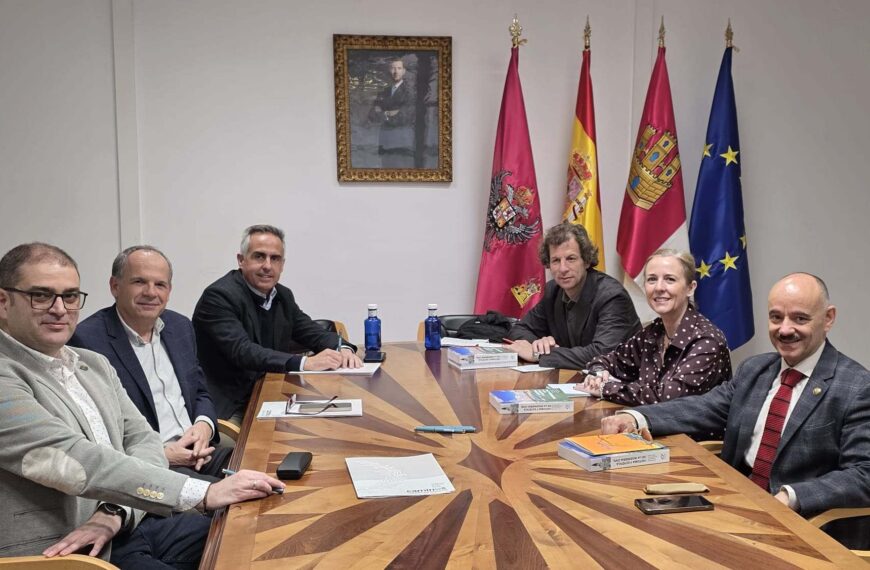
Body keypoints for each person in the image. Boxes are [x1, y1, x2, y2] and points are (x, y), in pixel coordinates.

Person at [0, 243, 283, 566]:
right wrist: (203, 493)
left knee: (260, 534)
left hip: (125, 518)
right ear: (3, 302)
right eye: (41, 295)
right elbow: (76, 460)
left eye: (70, 296)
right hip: (68, 549)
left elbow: (143, 439)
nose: (60, 309)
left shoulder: (92, 364)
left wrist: (116, 511)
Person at [601, 272, 870, 548]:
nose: (785, 329)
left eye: (800, 319)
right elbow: (703, 407)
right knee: (631, 535)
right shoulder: (756, 369)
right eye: (776, 317)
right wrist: (636, 417)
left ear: (828, 318)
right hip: (733, 505)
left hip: (803, 528)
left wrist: (792, 496)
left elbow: (864, 472)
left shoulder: (856, 387)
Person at [70, 245, 232, 482]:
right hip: (152, 468)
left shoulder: (180, 326)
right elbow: (98, 431)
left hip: (201, 452)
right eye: (139, 282)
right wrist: (163, 455)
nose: (150, 292)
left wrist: (204, 425)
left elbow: (199, 392)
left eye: (160, 284)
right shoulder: (87, 340)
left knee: (267, 471)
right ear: (115, 286)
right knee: (238, 505)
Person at [193, 225, 361, 422]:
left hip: (271, 393)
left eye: (275, 258)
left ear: (282, 264)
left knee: (330, 424)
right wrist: (305, 363)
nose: (267, 265)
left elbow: (310, 331)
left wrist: (343, 348)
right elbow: (243, 351)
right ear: (241, 260)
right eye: (259, 256)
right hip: (231, 405)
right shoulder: (220, 296)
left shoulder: (282, 295)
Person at [578, 249, 731, 405]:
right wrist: (597, 373)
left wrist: (606, 388)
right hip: (648, 425)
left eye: (670, 279)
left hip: (688, 429)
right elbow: (608, 360)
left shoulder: (707, 340)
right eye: (652, 279)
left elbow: (667, 398)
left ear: (690, 288)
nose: (659, 288)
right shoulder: (654, 332)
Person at [506, 222, 641, 369]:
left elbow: (602, 353)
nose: (563, 269)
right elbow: (520, 329)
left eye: (571, 259)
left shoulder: (612, 296)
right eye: (556, 261)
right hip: (578, 380)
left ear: (587, 261)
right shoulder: (553, 291)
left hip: (625, 382)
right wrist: (539, 345)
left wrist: (540, 355)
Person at [368, 57, 415, 168]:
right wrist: (389, 113)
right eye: (393, 68)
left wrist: (383, 112)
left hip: (402, 141)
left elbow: (406, 116)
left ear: (404, 71)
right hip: (385, 141)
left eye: (399, 68)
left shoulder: (410, 92)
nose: (395, 71)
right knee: (387, 173)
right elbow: (372, 116)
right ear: (389, 70)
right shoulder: (384, 92)